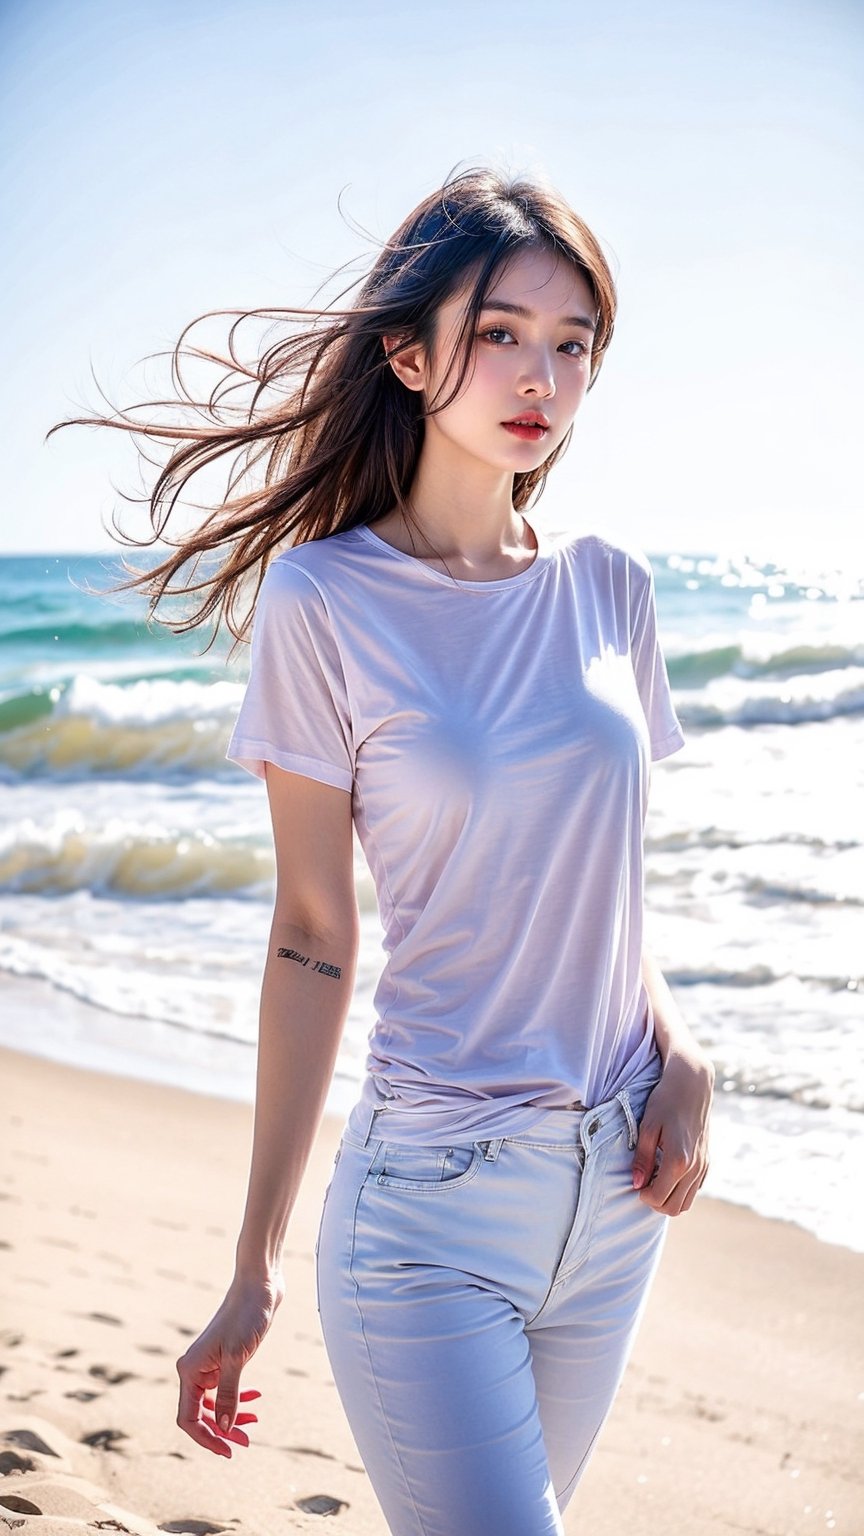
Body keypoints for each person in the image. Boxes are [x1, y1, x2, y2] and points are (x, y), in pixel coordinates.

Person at [52, 162, 714, 1536]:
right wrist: (255, 1264)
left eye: (574, 342)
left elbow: (601, 896)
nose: (543, 375)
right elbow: (311, 935)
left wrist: (685, 1051)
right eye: (501, 334)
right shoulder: (323, 598)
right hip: (432, 1217)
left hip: (616, 1209)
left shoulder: (613, 590)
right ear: (411, 356)